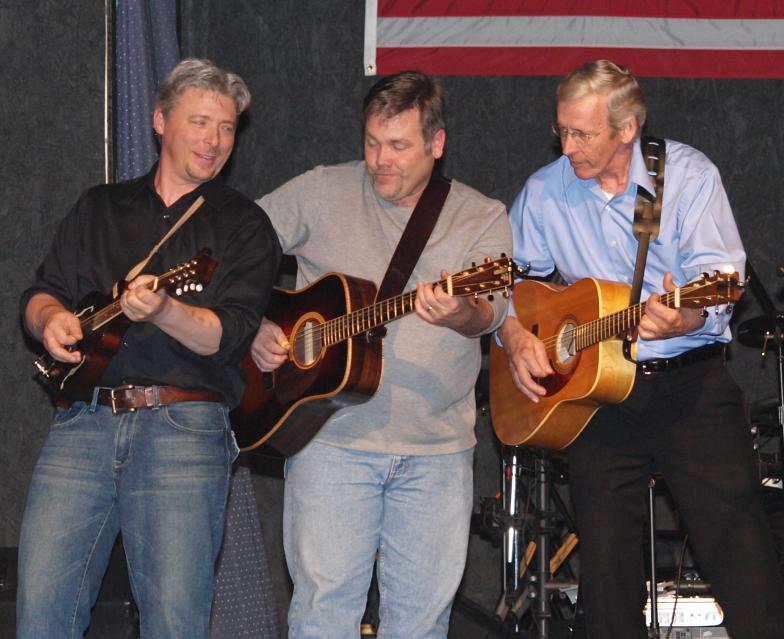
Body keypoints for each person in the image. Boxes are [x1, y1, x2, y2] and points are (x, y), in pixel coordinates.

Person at [497, 59, 784, 638]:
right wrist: (512, 336)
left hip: (689, 386)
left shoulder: (687, 177)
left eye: (582, 133)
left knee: (738, 550)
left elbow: (719, 280)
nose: (567, 147)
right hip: (599, 398)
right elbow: (502, 285)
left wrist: (686, 313)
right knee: (606, 571)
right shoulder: (545, 191)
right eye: (562, 130)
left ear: (627, 128)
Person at [17, 58, 281, 639]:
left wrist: (165, 310)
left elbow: (229, 334)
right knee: (40, 609)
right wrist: (51, 319)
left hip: (182, 426)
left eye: (227, 127)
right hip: (81, 421)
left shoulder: (244, 225)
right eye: (200, 122)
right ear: (161, 121)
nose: (214, 140)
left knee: (174, 621)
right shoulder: (98, 207)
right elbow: (39, 294)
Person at [250, 70, 512, 637]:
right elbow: (234, 245)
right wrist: (256, 322)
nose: (380, 160)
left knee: (420, 625)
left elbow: (489, 312)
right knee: (323, 615)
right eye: (371, 143)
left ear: (437, 144)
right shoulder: (320, 191)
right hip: (330, 442)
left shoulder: (480, 216)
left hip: (437, 454)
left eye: (398, 146)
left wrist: (459, 312)